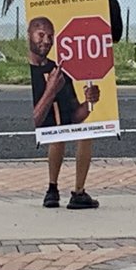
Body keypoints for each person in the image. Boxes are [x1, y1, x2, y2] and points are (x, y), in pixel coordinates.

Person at [28, 13, 102, 210]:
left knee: (85, 132)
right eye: (41, 34)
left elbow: (73, 115)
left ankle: (79, 191)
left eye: (50, 36)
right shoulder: (27, 72)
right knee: (55, 134)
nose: (46, 40)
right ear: (29, 35)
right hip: (50, 131)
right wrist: (50, 90)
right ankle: (52, 188)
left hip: (62, 124)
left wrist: (88, 103)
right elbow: (35, 119)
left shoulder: (59, 70)